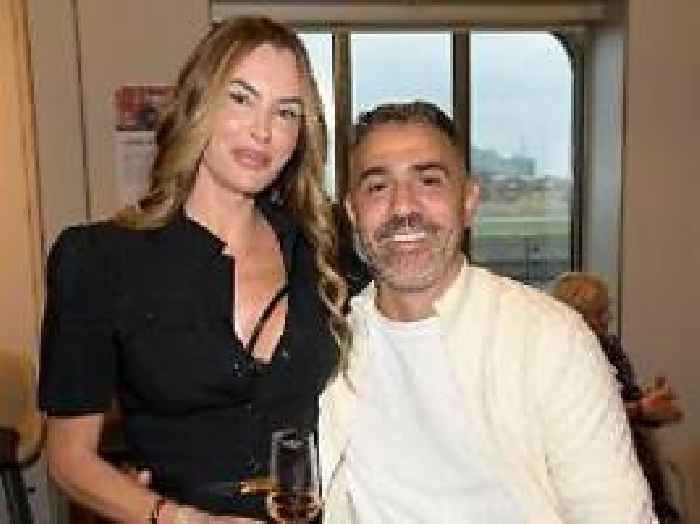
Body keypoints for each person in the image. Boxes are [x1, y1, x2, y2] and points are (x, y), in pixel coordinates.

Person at [39, 16, 349, 524]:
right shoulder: (98, 260)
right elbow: (69, 459)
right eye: (241, 98)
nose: (262, 130)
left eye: (286, 112)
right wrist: (179, 519)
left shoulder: (324, 249)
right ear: (197, 103)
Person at [318, 101, 656, 523]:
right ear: (352, 212)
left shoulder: (548, 340)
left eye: (429, 181)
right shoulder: (330, 347)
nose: (403, 207)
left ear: (468, 201)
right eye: (377, 186)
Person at [551, 272, 683, 523]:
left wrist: (655, 404)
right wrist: (641, 408)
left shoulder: (610, 347)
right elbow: (582, 416)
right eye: (599, 313)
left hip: (637, 460)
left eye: (607, 310)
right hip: (594, 473)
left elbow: (628, 401)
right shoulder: (559, 357)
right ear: (574, 317)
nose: (608, 319)